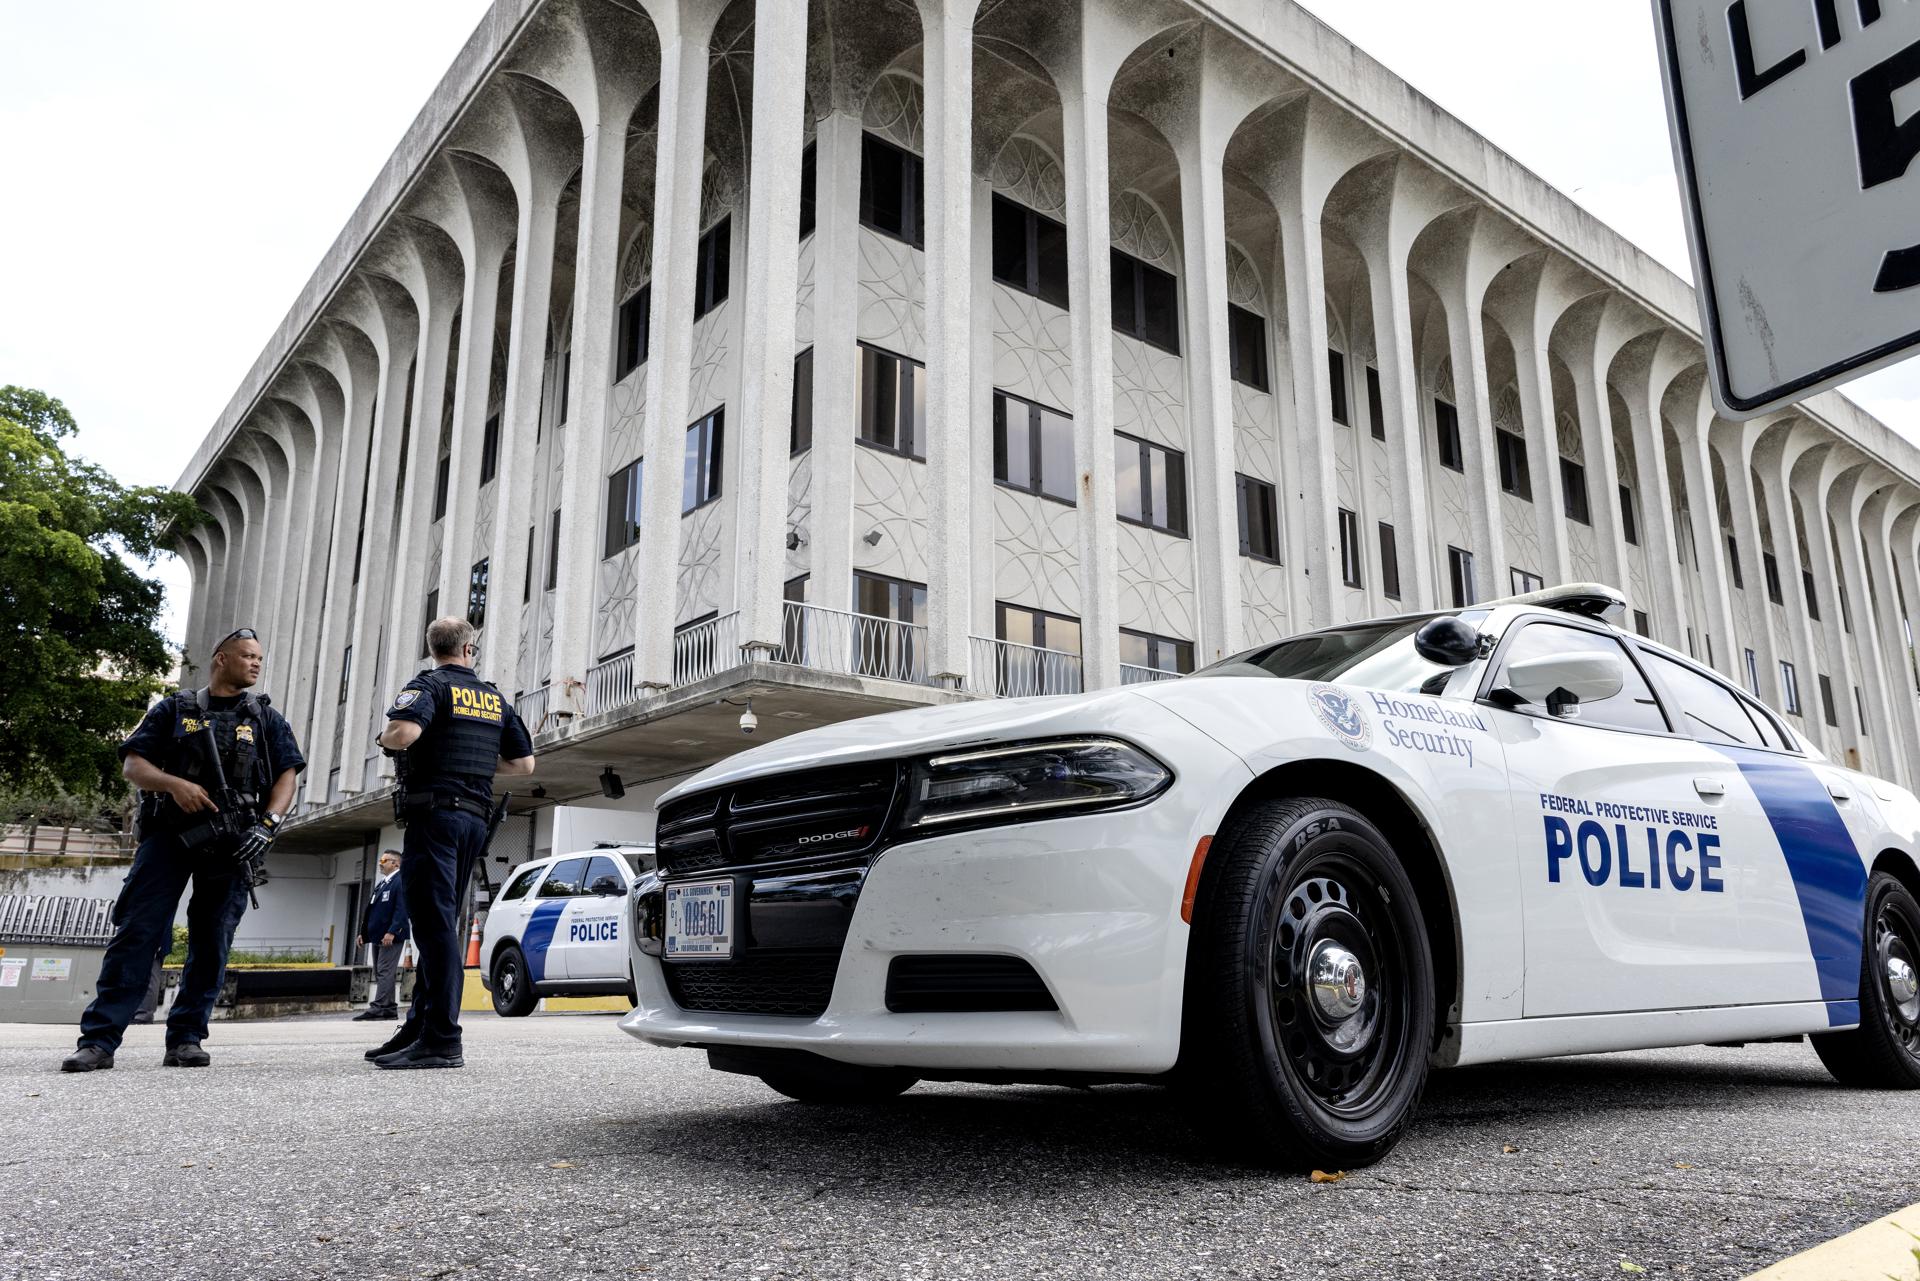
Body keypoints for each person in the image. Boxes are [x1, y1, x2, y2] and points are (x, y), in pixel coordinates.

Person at [62, 628, 304, 1072]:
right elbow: (134, 764)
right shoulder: (176, 708)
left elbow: (288, 775)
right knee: (138, 933)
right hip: (170, 838)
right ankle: (98, 1041)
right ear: (220, 658)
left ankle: (186, 1038)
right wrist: (175, 785)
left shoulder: (265, 718)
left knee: (212, 942)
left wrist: (268, 826)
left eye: (259, 658)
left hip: (233, 843)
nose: (255, 663)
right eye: (247, 656)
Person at [366, 617, 533, 1069]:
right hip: (475, 819)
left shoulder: (429, 686)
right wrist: (473, 764)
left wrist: (385, 739)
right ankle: (419, 1027)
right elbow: (523, 765)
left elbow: (403, 735)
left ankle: (442, 1037)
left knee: (433, 926)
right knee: (441, 922)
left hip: (436, 816)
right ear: (468, 649)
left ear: (433, 648)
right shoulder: (493, 697)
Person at [353, 849, 409, 1021]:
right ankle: (389, 1008)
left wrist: (392, 931)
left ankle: (378, 1008)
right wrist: (364, 934)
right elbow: (372, 910)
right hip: (378, 936)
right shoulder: (383, 883)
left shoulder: (400, 881)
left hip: (391, 936)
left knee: (385, 971)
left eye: (384, 860)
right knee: (382, 972)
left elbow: (402, 909)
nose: (380, 863)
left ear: (395, 863)